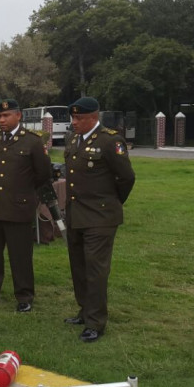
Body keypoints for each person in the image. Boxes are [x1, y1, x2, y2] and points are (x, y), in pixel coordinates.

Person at [63, 97, 135, 343]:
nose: (75, 123)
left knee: (95, 270)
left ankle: (96, 322)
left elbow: (126, 178)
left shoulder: (110, 141)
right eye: (73, 118)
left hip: (100, 216)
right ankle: (84, 310)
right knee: (79, 266)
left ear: (94, 118)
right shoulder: (73, 139)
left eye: (79, 119)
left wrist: (111, 204)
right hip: (76, 213)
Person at [0, 99, 52, 312]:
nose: (2, 120)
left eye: (6, 116)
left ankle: (24, 297)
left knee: (20, 256)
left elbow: (43, 173)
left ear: (18, 116)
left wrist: (22, 190)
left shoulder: (32, 142)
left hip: (19, 207)